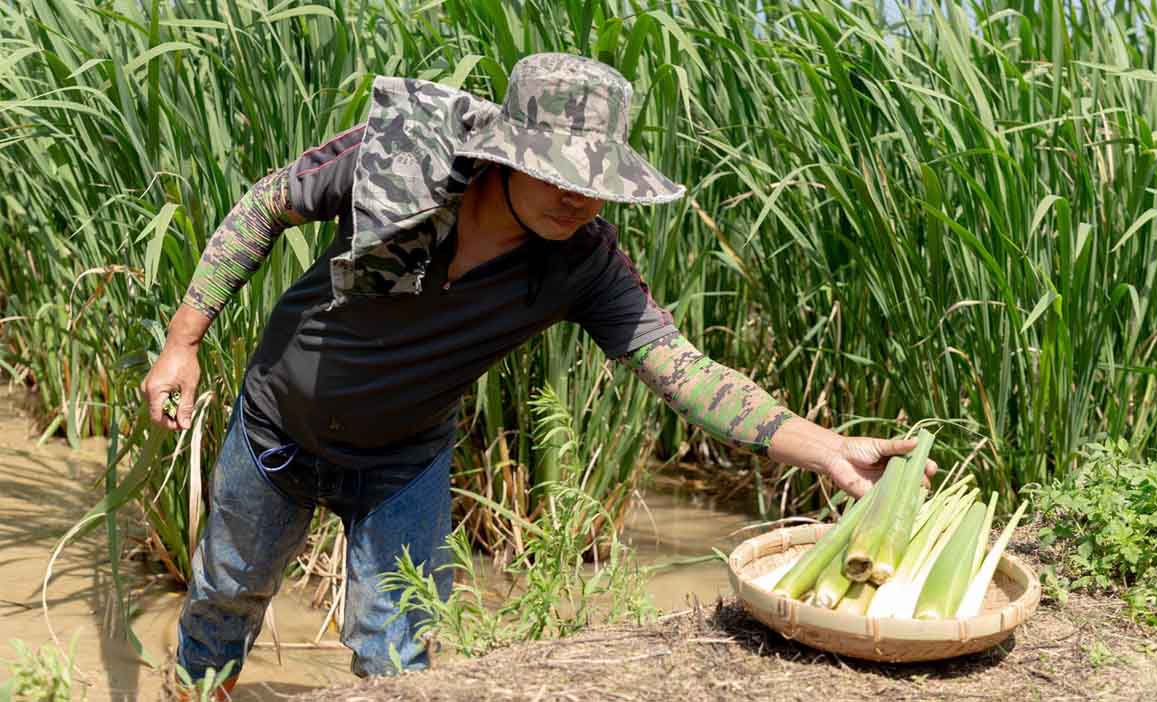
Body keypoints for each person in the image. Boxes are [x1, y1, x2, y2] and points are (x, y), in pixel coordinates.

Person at [140, 53, 933, 693]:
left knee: (399, 658)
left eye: (594, 180)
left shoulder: (584, 265)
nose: (577, 197)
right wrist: (184, 341)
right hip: (279, 425)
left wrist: (824, 446)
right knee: (223, 601)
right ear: (505, 155)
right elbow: (265, 204)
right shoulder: (402, 159)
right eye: (556, 170)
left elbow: (683, 370)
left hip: (401, 461)